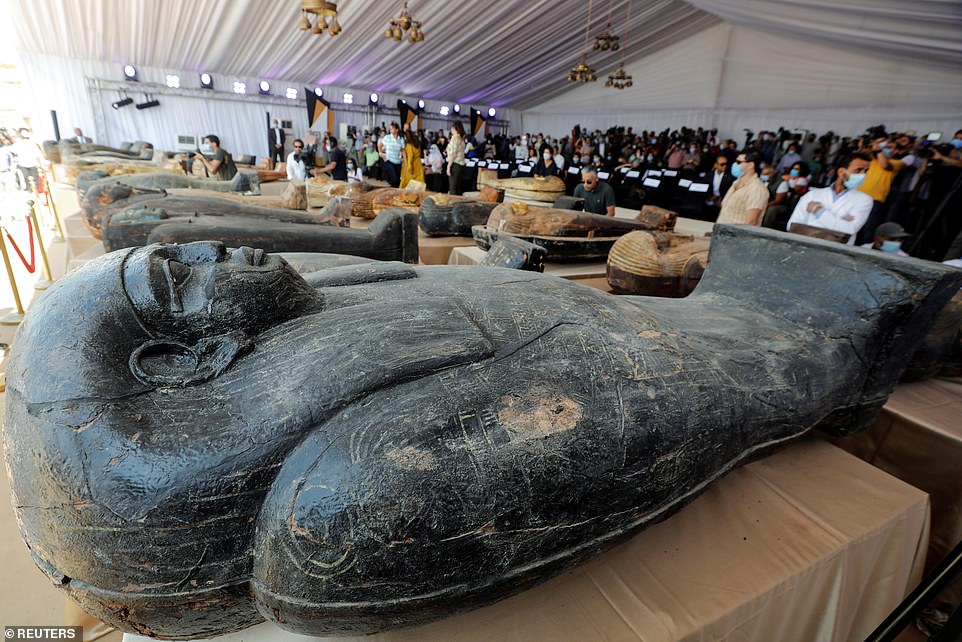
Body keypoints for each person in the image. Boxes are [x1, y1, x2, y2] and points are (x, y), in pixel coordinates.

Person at [786, 153, 873, 245]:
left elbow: (850, 229)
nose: (863, 175)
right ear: (841, 172)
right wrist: (839, 224)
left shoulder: (864, 200)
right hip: (803, 246)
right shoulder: (812, 195)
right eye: (858, 170)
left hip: (837, 251)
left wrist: (818, 211)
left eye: (865, 171)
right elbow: (792, 226)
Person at [715, 151, 768, 226]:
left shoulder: (757, 189)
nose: (734, 164)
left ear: (751, 165)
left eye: (738, 162)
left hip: (735, 233)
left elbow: (751, 222)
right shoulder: (735, 183)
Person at [378, 122, 404, 187]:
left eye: (392, 128)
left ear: (397, 130)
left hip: (398, 162)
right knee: (394, 179)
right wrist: (380, 153)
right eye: (390, 129)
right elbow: (380, 145)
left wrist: (404, 159)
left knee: (398, 182)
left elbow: (403, 150)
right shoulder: (387, 137)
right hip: (389, 160)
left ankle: (393, 191)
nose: (390, 130)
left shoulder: (401, 139)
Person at [446, 121, 467, 195]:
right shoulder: (461, 139)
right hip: (461, 165)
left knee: (453, 189)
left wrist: (448, 166)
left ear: (455, 129)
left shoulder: (455, 138)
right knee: (458, 188)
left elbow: (453, 154)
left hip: (455, 164)